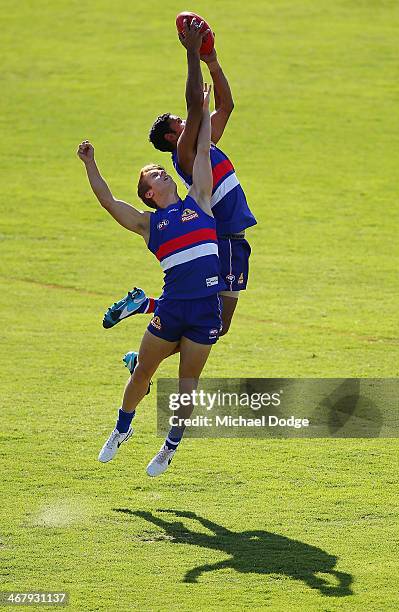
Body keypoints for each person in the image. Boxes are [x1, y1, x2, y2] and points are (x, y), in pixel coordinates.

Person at [77, 82, 223, 477]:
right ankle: (120, 430)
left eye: (160, 169)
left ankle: (169, 448)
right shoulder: (149, 225)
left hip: (206, 310)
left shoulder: (201, 200)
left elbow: (204, 152)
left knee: (187, 383)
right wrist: (90, 162)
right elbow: (109, 202)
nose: (164, 172)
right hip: (173, 308)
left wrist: (204, 114)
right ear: (149, 193)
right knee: (142, 370)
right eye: (157, 174)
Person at [103, 17, 256, 342]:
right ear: (173, 136)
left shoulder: (203, 142)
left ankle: (145, 307)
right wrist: (191, 55)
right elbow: (194, 106)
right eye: (179, 120)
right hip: (225, 237)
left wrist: (211, 61)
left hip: (233, 238)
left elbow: (226, 106)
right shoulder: (186, 152)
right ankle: (148, 343)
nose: (185, 118)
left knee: (213, 323)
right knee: (214, 324)